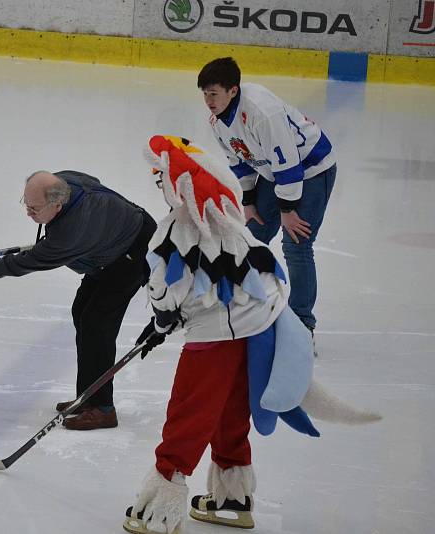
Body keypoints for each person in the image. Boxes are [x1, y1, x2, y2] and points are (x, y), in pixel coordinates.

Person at [122, 136, 378, 534]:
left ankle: (160, 508)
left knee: (189, 413)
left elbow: (164, 291)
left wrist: (160, 322)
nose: (159, 183)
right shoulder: (234, 224)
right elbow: (266, 276)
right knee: (229, 411)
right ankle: (231, 499)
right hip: (259, 331)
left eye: (161, 176)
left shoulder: (174, 230)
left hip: (213, 341)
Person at [0, 170, 156, 431]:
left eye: (34, 208)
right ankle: (88, 396)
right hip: (107, 242)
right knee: (82, 311)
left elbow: (30, 261)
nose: (29, 213)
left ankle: (103, 408)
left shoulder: (72, 232)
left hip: (132, 253)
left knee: (96, 324)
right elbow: (92, 180)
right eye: (26, 205)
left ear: (58, 204)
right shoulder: (64, 181)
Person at [197, 57, 337, 344]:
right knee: (252, 235)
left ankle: (301, 327)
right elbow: (240, 162)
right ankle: (248, 310)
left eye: (214, 93)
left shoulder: (262, 112)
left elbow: (290, 165)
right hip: (276, 173)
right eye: (205, 94)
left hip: (311, 169)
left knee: (296, 244)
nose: (208, 100)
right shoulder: (218, 121)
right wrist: (248, 201)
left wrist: (287, 209)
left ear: (232, 91)